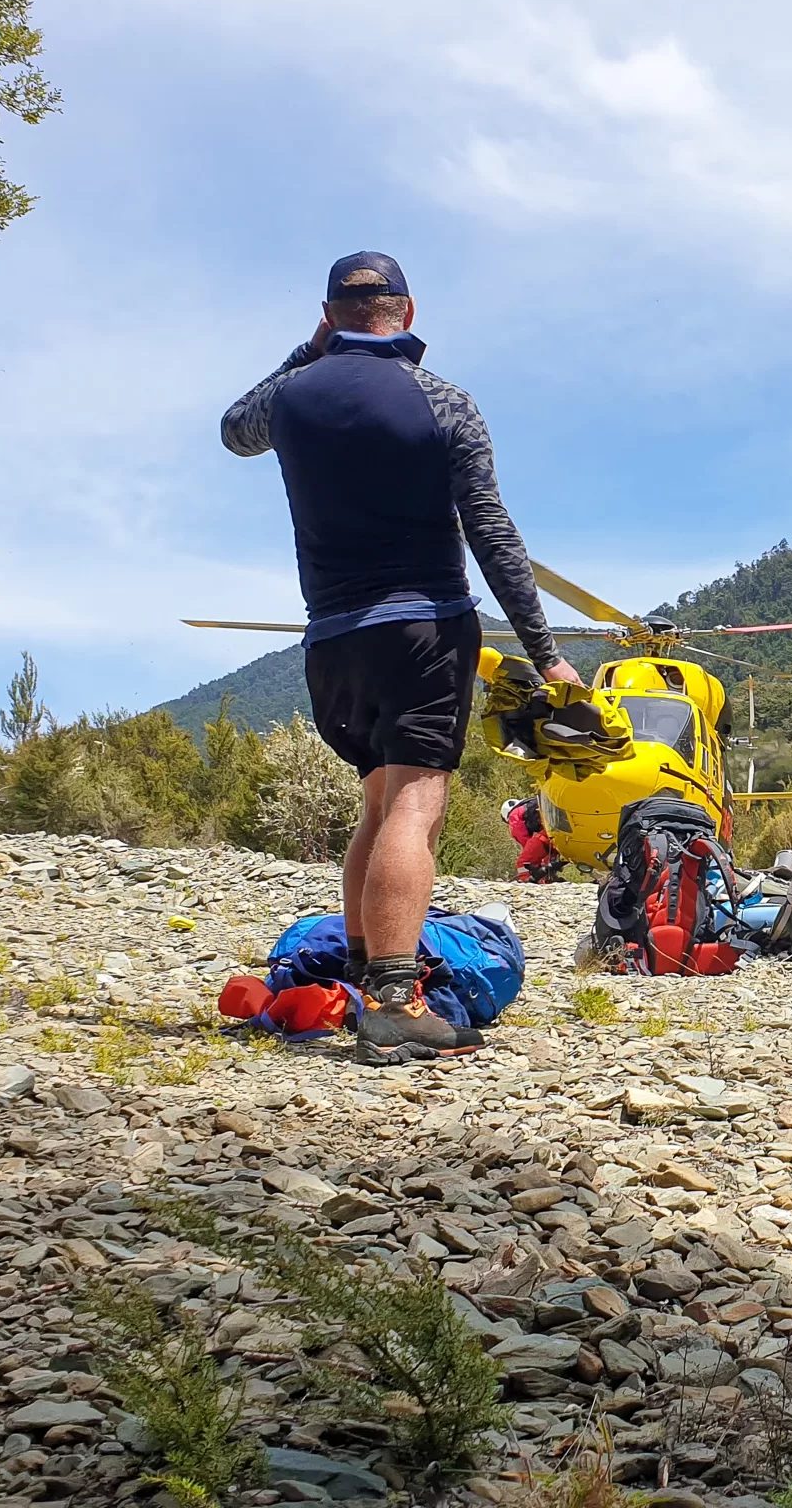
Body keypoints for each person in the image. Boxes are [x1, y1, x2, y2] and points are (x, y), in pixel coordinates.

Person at [221, 251, 580, 1061]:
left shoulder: (288, 399)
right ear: (408, 313)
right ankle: (392, 998)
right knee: (416, 808)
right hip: (423, 629)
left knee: (380, 804)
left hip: (330, 641)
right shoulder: (442, 401)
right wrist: (545, 653)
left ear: (328, 314)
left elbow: (231, 430)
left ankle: (357, 971)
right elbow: (490, 533)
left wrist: (305, 354)